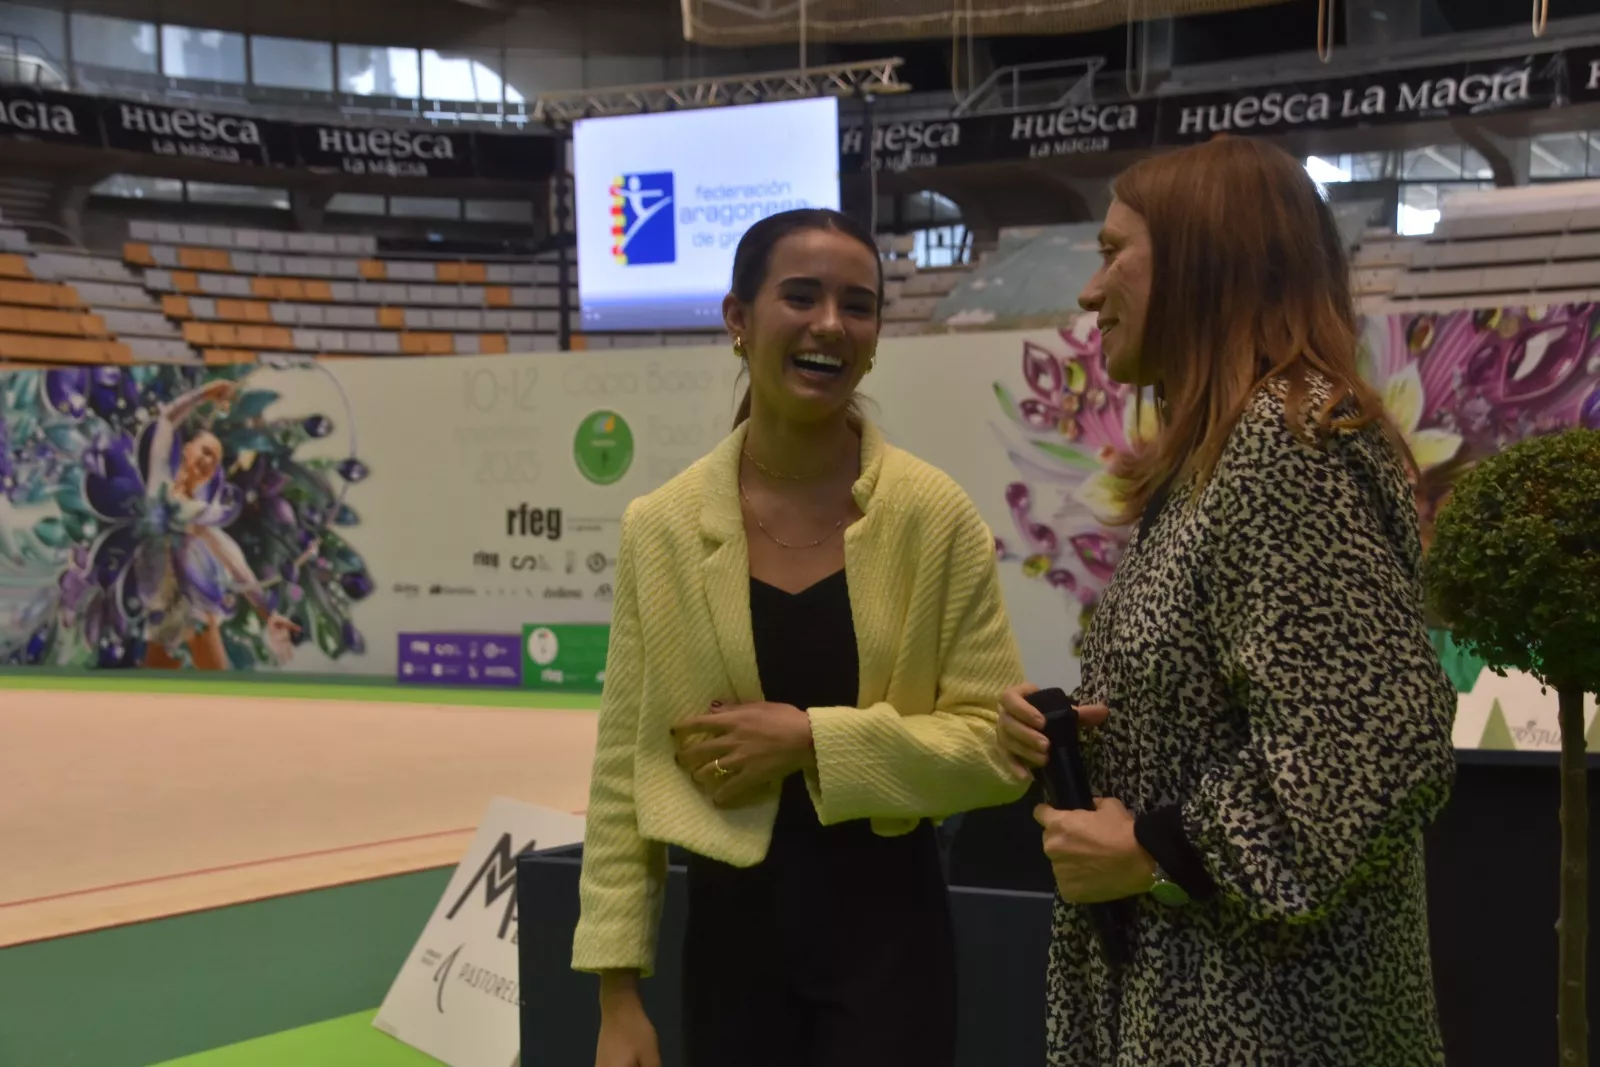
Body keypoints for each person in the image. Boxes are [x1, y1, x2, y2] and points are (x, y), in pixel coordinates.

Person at [996, 137, 1457, 1066]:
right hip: (1203, 1001)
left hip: (1270, 1019)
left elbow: (1375, 738)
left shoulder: (1287, 445)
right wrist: (1079, 743)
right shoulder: (1222, 455)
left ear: (1207, 259)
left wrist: (1163, 849)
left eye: (1113, 251)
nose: (1090, 293)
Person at [573, 207, 1029, 1067]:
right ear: (737, 320)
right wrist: (617, 992)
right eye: (801, 295)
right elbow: (623, 773)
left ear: (875, 338)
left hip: (891, 949)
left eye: (857, 305)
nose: (830, 324)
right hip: (728, 959)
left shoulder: (935, 518)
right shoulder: (662, 527)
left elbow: (993, 749)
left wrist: (810, 740)